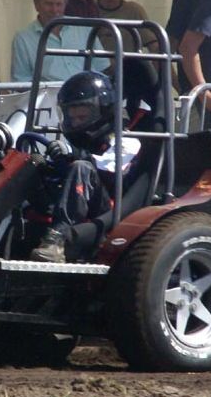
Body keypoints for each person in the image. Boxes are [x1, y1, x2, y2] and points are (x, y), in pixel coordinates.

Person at [30, 70, 141, 264]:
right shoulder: (86, 146)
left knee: (82, 167)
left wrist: (71, 156)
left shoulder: (127, 141)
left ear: (104, 112)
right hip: (82, 205)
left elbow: (106, 168)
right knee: (30, 164)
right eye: (72, 118)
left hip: (110, 216)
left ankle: (58, 239)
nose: (75, 123)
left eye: (81, 117)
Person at [11, 0, 109, 82]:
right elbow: (21, 80)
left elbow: (102, 69)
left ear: (65, 4)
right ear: (36, 4)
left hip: (87, 89)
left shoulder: (84, 27)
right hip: (48, 92)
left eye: (59, 4)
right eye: (49, 4)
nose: (54, 10)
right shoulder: (23, 38)